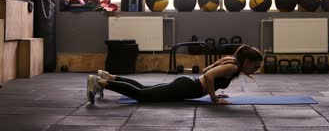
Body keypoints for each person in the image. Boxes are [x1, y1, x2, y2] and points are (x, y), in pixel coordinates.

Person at [86, 44, 263, 104]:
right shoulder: (232, 67)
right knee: (142, 96)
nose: (254, 71)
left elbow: (207, 72)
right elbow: (208, 77)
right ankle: (100, 83)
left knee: (144, 89)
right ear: (246, 61)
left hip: (187, 84)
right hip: (186, 87)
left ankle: (108, 76)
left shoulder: (231, 63)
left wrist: (215, 90)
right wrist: (214, 99)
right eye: (254, 67)